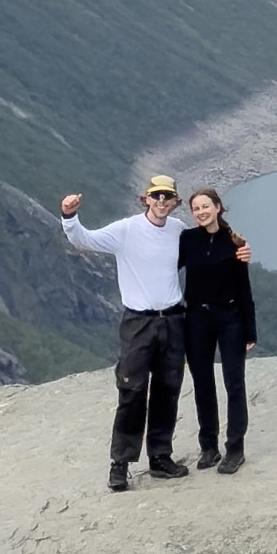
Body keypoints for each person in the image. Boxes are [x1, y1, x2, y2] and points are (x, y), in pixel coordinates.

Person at [59, 174, 190, 489]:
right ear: (145, 199)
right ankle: (120, 464)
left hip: (173, 320)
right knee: (131, 391)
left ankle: (160, 457)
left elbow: (202, 256)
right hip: (139, 322)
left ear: (174, 202)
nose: (161, 202)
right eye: (155, 196)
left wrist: (236, 248)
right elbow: (83, 240)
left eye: (167, 197)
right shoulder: (126, 230)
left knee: (167, 391)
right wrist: (69, 216)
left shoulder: (179, 230)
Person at [177, 186, 256, 473]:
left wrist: (250, 330)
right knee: (202, 384)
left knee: (234, 383)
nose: (201, 212)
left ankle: (235, 449)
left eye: (205, 206)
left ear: (218, 207)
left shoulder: (235, 242)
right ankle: (208, 447)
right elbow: (167, 271)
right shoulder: (187, 240)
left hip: (230, 318)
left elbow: (244, 289)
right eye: (196, 208)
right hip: (197, 318)